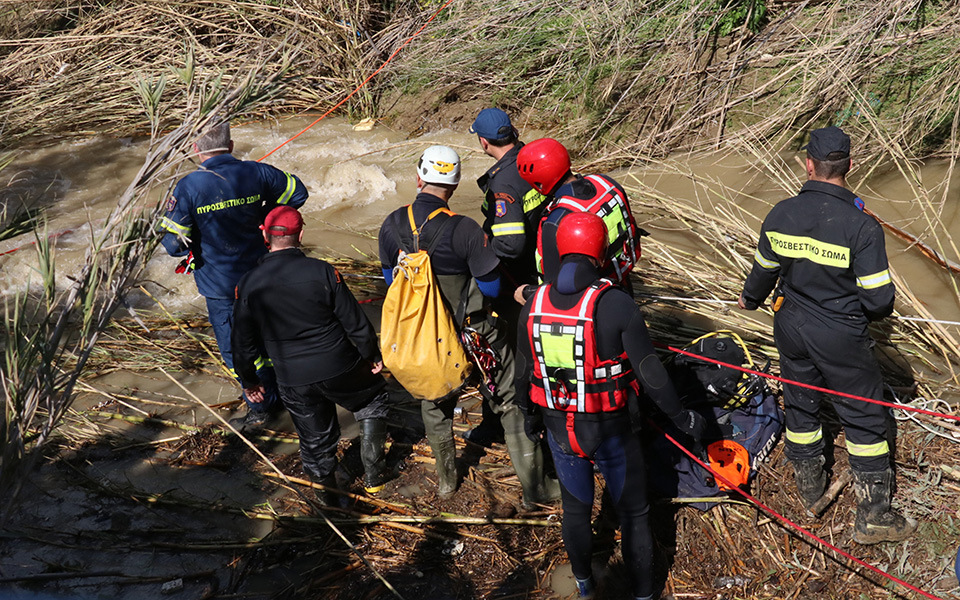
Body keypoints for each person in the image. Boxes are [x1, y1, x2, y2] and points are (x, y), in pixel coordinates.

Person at [738, 125, 916, 544]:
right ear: (850, 166)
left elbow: (761, 276)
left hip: (790, 326)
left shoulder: (780, 213)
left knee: (800, 401)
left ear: (809, 165)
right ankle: (873, 515)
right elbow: (879, 303)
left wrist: (749, 299)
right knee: (865, 416)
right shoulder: (861, 227)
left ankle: (809, 489)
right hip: (839, 333)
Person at [515, 212, 704, 600]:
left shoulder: (532, 305)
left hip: (558, 426)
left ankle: (584, 585)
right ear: (601, 253)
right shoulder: (615, 304)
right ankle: (643, 594)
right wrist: (683, 418)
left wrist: (527, 414)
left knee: (575, 511)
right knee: (634, 514)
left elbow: (523, 373)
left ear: (561, 249)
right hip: (610, 429)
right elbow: (652, 375)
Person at [378, 145, 558, 506]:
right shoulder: (464, 229)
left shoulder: (392, 224)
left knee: (434, 402)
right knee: (509, 400)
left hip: (424, 337)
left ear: (418, 178)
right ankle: (535, 491)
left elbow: (389, 282)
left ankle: (446, 482)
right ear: (455, 184)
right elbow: (491, 286)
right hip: (473, 333)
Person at [232, 206, 392, 501]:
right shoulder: (323, 271)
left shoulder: (248, 284)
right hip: (339, 365)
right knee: (371, 400)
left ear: (265, 235)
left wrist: (249, 380)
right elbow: (355, 322)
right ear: (301, 235)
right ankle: (374, 478)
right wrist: (371, 355)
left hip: (293, 377)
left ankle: (329, 497)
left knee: (315, 437)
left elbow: (242, 341)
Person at [159, 120, 308, 428]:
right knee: (272, 337)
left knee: (237, 348)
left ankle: (261, 409)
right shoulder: (258, 172)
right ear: (230, 145)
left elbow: (174, 245)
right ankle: (288, 393)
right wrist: (264, 216)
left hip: (222, 287)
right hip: (266, 275)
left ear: (195, 149)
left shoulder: (189, 186)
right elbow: (297, 194)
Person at [466, 107, 549, 448]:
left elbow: (511, 243)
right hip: (546, 270)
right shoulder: (533, 158)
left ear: (484, 143)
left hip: (518, 281)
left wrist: (486, 254)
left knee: (507, 349)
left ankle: (509, 417)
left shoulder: (502, 181)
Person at [515, 137, 644, 293]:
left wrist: (526, 292)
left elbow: (555, 289)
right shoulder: (606, 182)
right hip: (621, 279)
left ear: (538, 183)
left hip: (590, 299)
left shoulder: (555, 222)